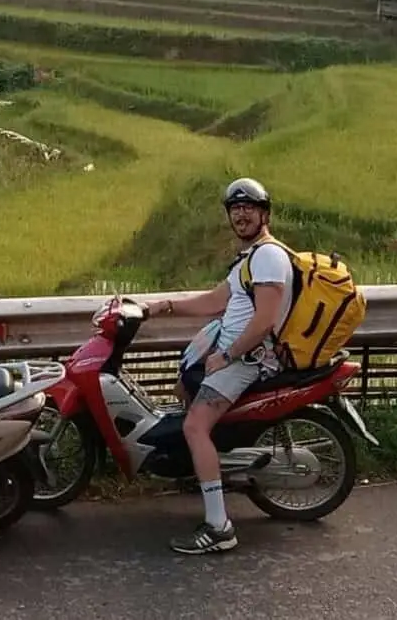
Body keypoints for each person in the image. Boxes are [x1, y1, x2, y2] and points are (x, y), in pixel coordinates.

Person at [143, 177, 292, 556]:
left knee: (194, 426)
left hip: (247, 359)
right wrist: (165, 307)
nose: (241, 215)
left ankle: (219, 526)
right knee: (184, 386)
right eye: (235, 209)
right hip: (232, 354)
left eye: (249, 208)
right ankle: (208, 467)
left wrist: (226, 356)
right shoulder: (249, 259)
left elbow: (264, 322)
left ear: (265, 214)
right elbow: (215, 301)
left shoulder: (269, 257)